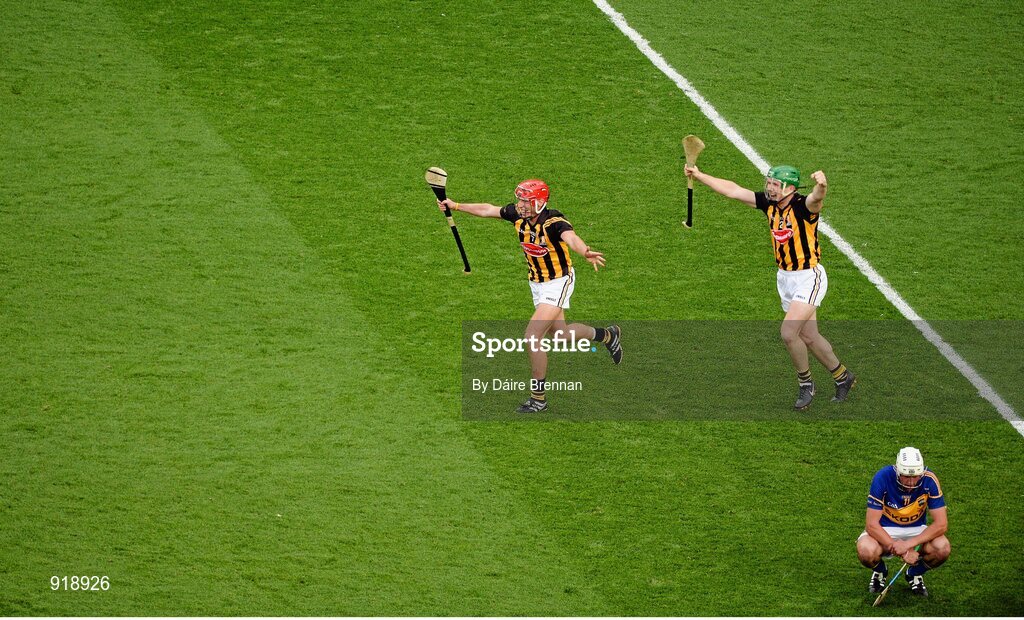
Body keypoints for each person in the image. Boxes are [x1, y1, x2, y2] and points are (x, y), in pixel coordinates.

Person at [439, 179, 622, 413]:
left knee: (533, 336)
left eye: (526, 201)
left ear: (540, 202)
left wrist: (584, 251)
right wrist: (455, 205)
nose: (521, 205)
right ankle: (608, 335)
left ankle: (538, 399)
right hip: (536, 283)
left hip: (558, 282)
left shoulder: (554, 222)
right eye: (520, 201)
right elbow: (488, 209)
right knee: (561, 334)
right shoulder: (518, 215)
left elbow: (571, 238)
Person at [684, 163, 855, 410]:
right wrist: (699, 176)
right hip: (785, 278)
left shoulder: (803, 207)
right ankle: (843, 376)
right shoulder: (769, 204)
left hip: (809, 277)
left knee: (789, 333)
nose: (770, 188)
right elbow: (733, 190)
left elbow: (817, 199)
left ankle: (806, 384)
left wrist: (822, 186)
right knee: (809, 335)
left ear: (791, 188)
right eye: (770, 183)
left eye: (776, 184)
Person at [856, 447, 950, 597]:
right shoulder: (882, 477)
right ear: (898, 472)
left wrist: (907, 545)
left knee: (943, 548)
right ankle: (880, 571)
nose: (912, 482)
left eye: (916, 476)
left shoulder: (930, 479)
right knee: (865, 551)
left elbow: (941, 524)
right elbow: (871, 525)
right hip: (885, 529)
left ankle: (914, 573)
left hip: (916, 529)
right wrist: (903, 551)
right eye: (906, 476)